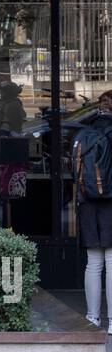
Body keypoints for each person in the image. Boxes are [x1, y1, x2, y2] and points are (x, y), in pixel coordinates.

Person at [73, 89, 112, 330]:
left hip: (87, 201)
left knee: (93, 262)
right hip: (110, 202)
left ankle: (92, 317)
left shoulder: (82, 132)